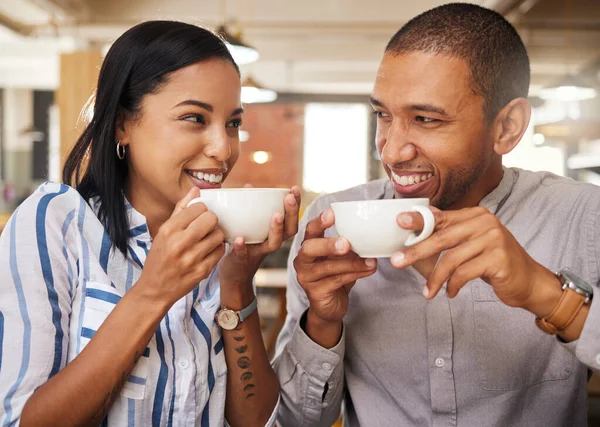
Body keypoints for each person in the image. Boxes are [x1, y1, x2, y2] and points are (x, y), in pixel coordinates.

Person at [274, 3, 599, 426]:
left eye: (426, 119)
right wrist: (321, 321)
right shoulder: (333, 221)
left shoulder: (582, 217)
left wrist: (546, 295)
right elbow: (298, 421)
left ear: (507, 128)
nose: (391, 151)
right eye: (383, 116)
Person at [0, 20, 301, 427]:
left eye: (233, 123)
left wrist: (237, 282)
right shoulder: (55, 222)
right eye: (195, 118)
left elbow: (255, 419)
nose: (223, 148)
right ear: (124, 122)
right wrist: (153, 292)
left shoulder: (221, 238)